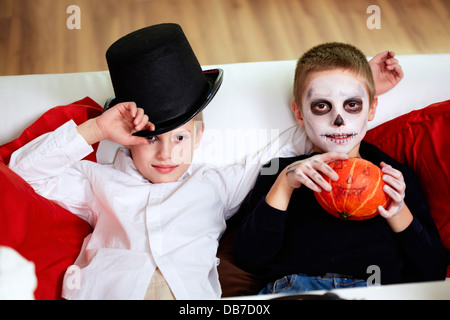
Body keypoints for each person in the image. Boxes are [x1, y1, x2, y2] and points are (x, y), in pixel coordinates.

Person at [8, 22, 404, 299]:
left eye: (180, 137)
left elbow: (303, 139)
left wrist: (355, 86)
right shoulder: (98, 181)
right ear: (127, 139)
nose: (167, 153)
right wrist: (96, 130)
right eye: (150, 139)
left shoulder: (218, 183)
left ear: (199, 135)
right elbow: (23, 172)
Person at [235, 42, 447, 295]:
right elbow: (249, 258)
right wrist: (284, 185)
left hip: (376, 291)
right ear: (299, 114)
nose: (339, 120)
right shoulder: (280, 172)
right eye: (322, 106)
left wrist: (398, 212)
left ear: (372, 109)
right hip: (297, 290)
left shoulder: (393, 176)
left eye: (352, 105)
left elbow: (433, 270)